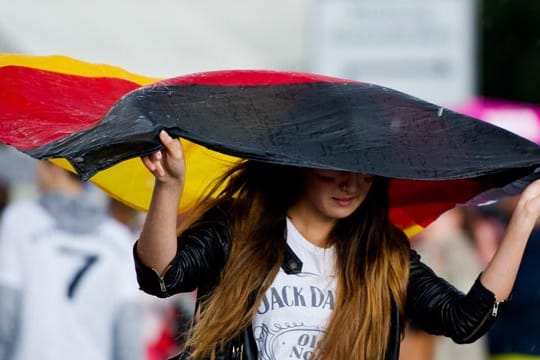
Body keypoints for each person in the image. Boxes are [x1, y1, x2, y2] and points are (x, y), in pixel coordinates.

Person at [134, 130, 540, 360]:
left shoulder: (384, 254)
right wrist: (168, 187)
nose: (350, 185)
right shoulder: (238, 229)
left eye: (364, 173)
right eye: (335, 169)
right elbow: (160, 276)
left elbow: (465, 321)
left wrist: (522, 219)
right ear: (301, 165)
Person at [0, 160, 144, 360]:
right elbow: (127, 333)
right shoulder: (118, 239)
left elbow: (5, 312)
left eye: (41, 164)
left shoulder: (19, 222)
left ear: (55, 168)